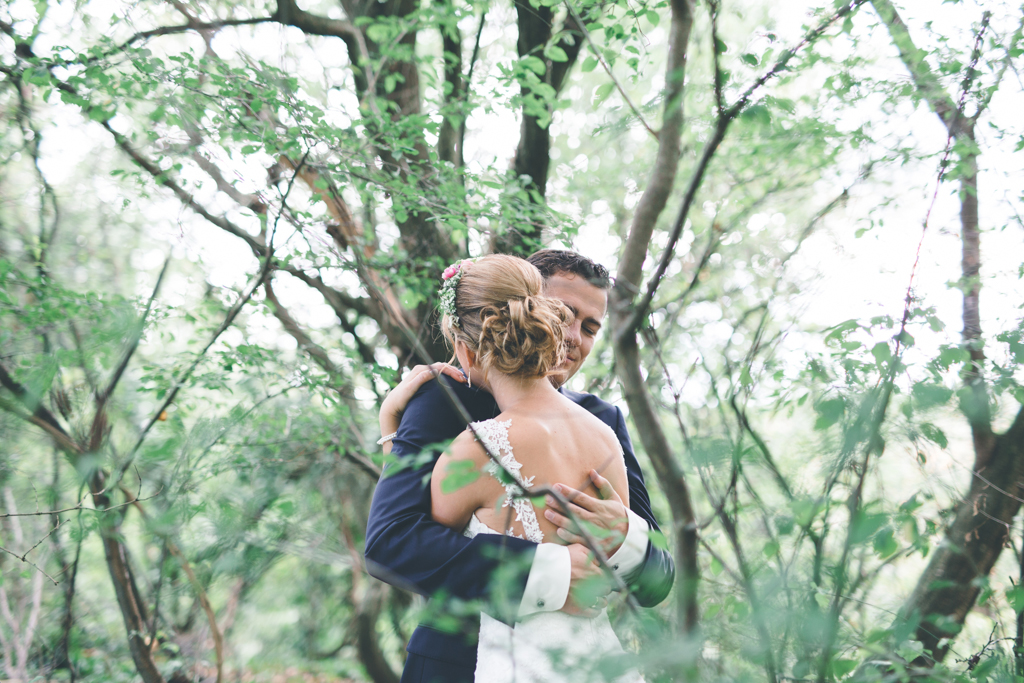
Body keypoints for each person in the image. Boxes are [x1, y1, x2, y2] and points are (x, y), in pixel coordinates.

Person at [364, 250, 674, 683]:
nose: (572, 337)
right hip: (456, 665)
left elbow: (658, 581)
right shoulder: (445, 399)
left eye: (590, 327)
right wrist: (549, 574)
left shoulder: (604, 420)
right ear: (522, 303)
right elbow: (393, 541)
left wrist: (626, 539)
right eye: (563, 313)